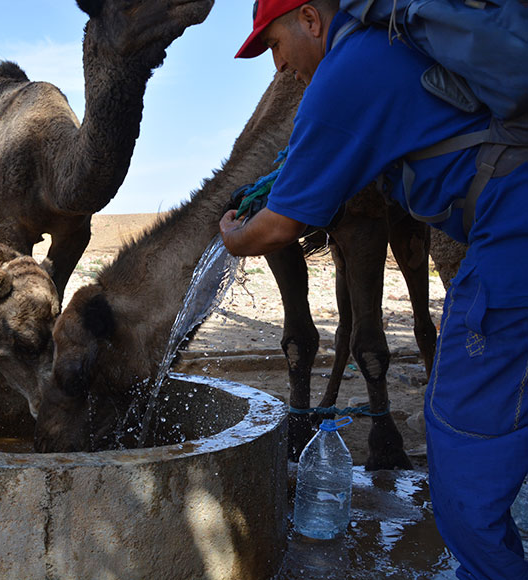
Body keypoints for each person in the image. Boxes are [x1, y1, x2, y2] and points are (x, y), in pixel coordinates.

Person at [221, 0, 528, 578]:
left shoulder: (344, 73)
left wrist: (234, 237)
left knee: (462, 439)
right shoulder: (389, 45)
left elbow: (281, 227)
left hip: (513, 232)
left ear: (311, 20)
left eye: (277, 45)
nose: (278, 68)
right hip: (508, 218)